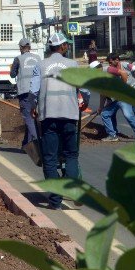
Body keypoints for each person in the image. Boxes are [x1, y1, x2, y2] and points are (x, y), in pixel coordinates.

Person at [30, 33, 82, 210]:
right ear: (63, 47)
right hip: (69, 116)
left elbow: (33, 91)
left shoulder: (41, 64)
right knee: (71, 155)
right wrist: (85, 102)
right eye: (66, 45)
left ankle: (55, 202)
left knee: (50, 159)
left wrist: (33, 107)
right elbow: (85, 90)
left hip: (48, 117)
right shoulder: (73, 64)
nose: (67, 47)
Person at [99, 53, 135, 142]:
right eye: (109, 63)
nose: (110, 65)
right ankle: (113, 134)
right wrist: (102, 105)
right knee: (116, 114)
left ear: (117, 60)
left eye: (111, 63)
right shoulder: (111, 71)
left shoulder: (126, 65)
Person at [10, 37, 41, 147]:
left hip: (25, 91)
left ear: (21, 48)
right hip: (39, 91)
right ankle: (26, 143)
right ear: (30, 47)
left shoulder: (18, 59)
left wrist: (14, 69)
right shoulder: (38, 58)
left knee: (28, 117)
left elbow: (12, 74)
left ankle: (37, 143)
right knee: (33, 117)